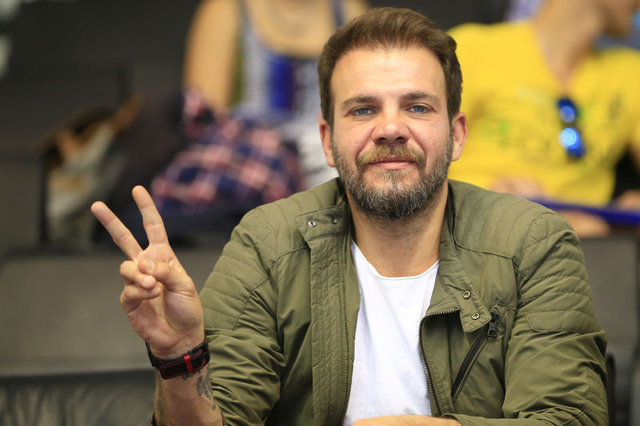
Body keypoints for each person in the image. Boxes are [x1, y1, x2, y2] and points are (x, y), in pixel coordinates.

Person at [91, 7, 608, 425]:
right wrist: (182, 358)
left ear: (457, 136)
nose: (390, 128)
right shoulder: (267, 243)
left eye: (418, 107)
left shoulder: (534, 243)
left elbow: (571, 418)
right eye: (363, 109)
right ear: (327, 141)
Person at [447, 0, 640, 236]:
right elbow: (417, 160)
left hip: (587, 242)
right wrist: (481, 197)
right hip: (471, 229)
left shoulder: (629, 73)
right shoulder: (473, 50)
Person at [183, 0, 368, 188]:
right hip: (248, 167)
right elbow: (203, 121)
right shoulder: (226, 10)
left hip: (323, 160)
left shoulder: (349, 11)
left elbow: (366, 103)